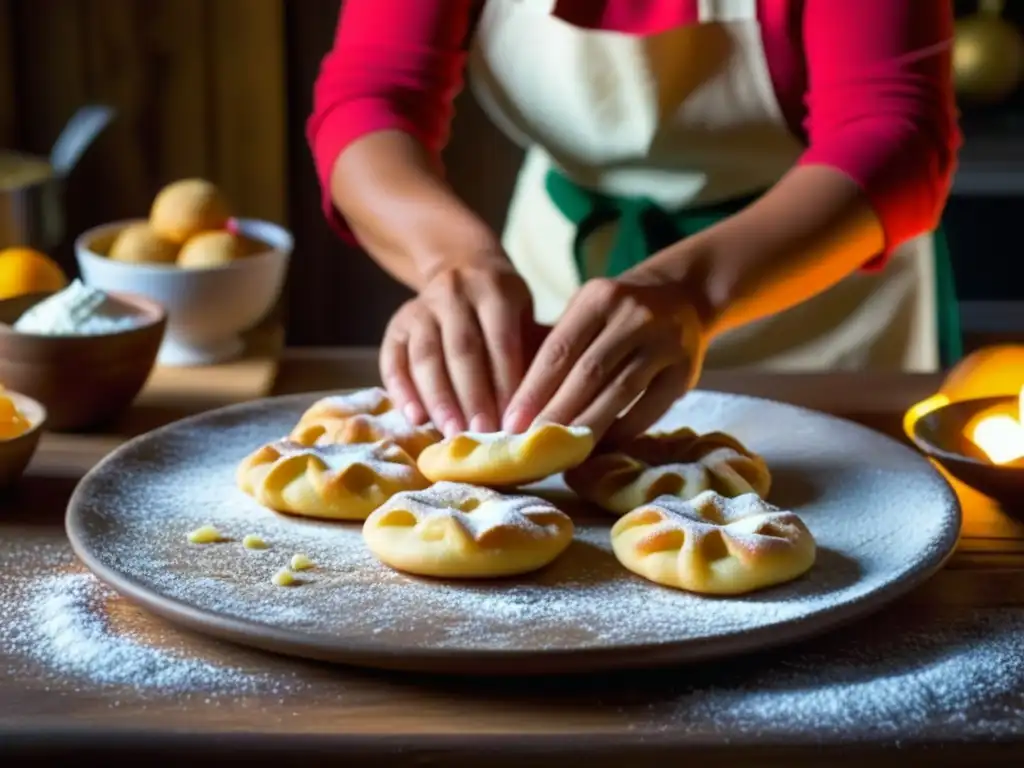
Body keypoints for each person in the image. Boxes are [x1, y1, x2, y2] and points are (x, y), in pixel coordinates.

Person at [307, 0, 961, 445]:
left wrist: (692, 289)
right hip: (554, 271)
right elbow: (372, 96)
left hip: (814, 288)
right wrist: (449, 259)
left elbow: (895, 132)